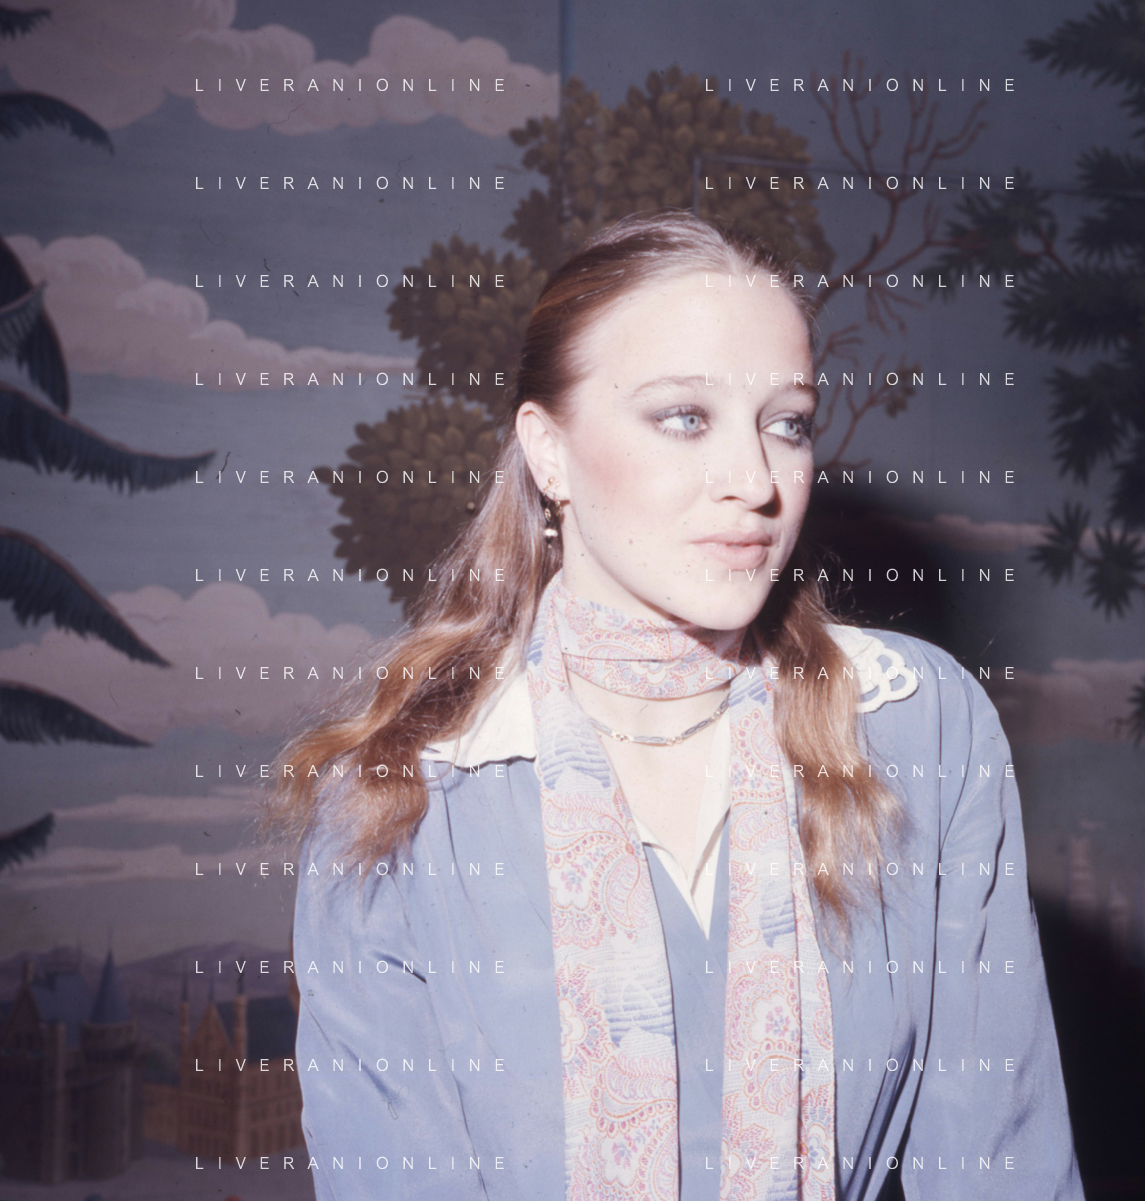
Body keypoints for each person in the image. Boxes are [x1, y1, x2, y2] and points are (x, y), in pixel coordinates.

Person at [271, 210, 1082, 1201]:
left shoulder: (919, 722)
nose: (755, 482)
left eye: (785, 423)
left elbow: (1002, 1163)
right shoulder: (396, 798)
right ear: (548, 453)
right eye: (684, 418)